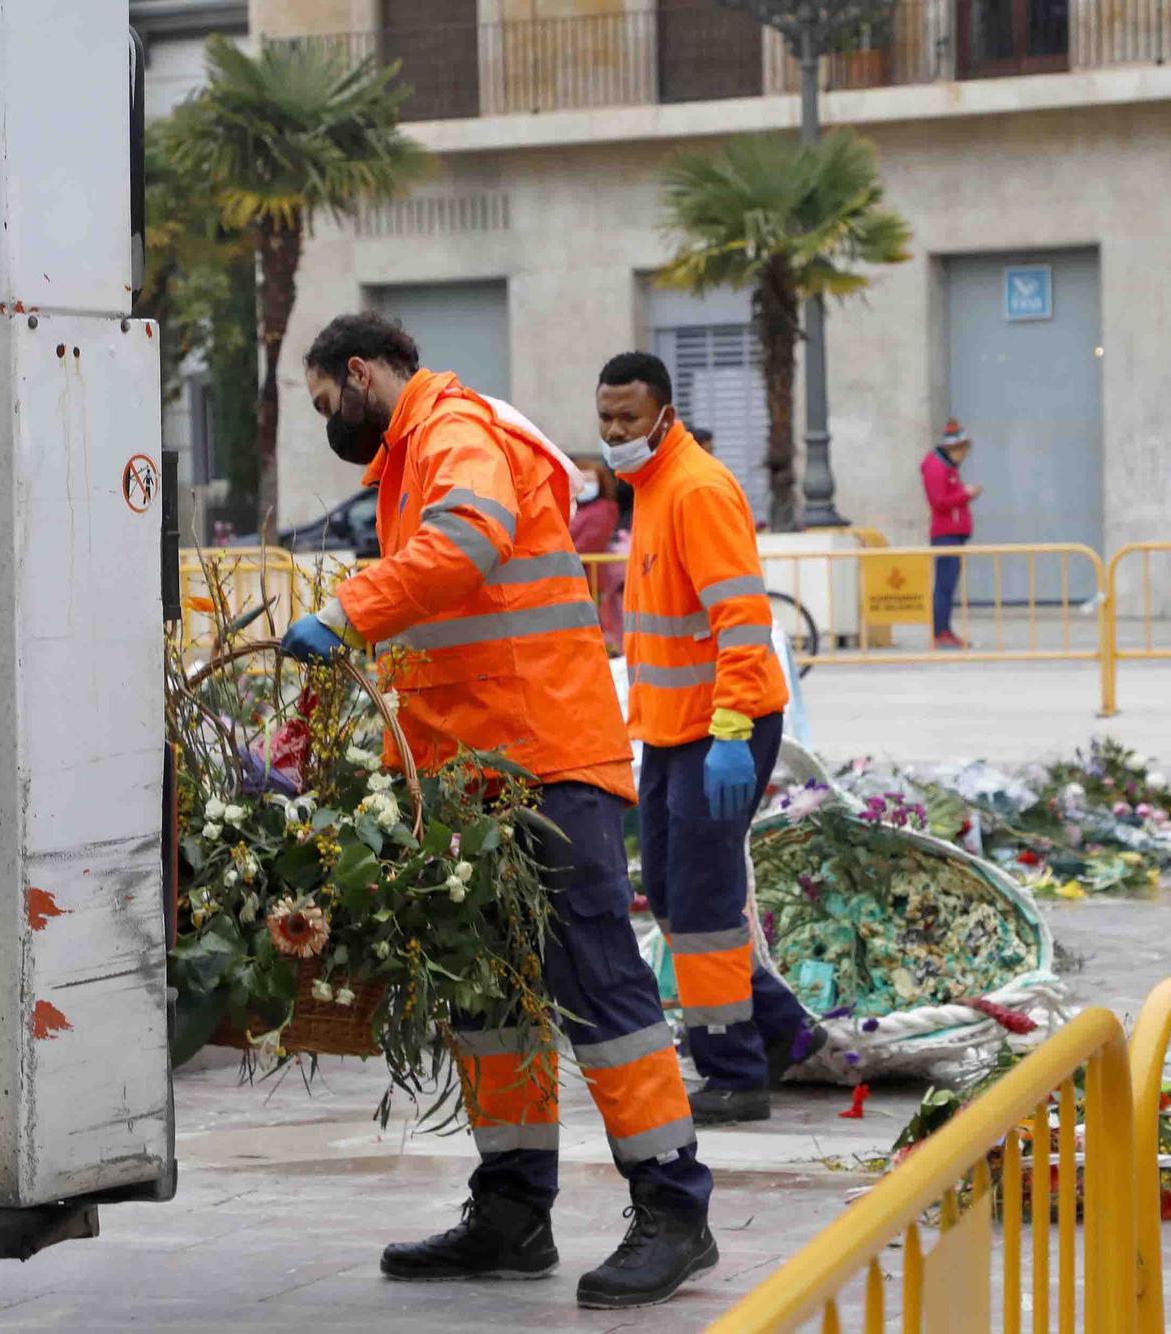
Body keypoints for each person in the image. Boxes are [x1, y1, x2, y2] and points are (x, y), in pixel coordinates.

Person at [279, 313, 715, 1311]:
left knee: (595, 984)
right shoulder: (411, 452)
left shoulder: (449, 432)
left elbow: (461, 548)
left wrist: (346, 611)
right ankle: (512, 1209)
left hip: (542, 756)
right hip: (476, 774)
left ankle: (673, 1208)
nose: (327, 426)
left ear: (359, 373)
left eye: (322, 404)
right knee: (488, 998)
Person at [596, 350, 825, 1127]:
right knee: (669, 890)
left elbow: (741, 619)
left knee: (702, 903)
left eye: (629, 417)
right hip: (670, 734)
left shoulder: (696, 489)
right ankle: (785, 1032)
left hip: (723, 729)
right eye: (606, 418)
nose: (615, 431)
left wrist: (730, 730)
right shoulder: (651, 489)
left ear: (664, 414)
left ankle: (733, 1069)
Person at [921, 419, 981, 650]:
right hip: (946, 534)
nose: (965, 455)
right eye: (963, 449)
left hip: (953, 534)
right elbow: (939, 501)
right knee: (944, 585)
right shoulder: (937, 467)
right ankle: (940, 633)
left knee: (948, 584)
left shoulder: (947, 467)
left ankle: (944, 630)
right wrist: (966, 494)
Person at [570, 455, 626, 651]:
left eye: (590, 480)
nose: (585, 486)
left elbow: (587, 543)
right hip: (578, 578)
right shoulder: (575, 508)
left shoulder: (603, 510)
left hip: (591, 579)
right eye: (581, 480)